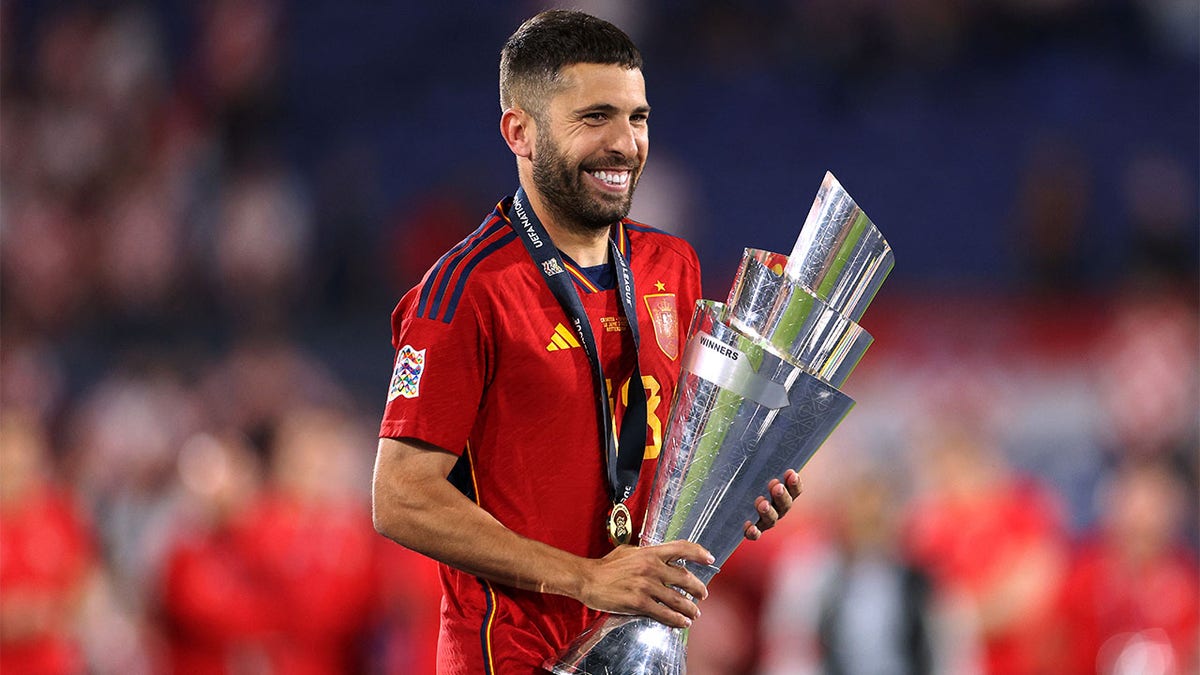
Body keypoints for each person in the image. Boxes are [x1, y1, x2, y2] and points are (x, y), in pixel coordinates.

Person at [371, 10, 802, 674]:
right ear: (521, 132)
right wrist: (584, 577)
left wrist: (737, 491)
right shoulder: (463, 292)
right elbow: (400, 496)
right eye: (594, 117)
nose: (625, 144)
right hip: (510, 656)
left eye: (638, 117)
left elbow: (671, 447)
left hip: (641, 649)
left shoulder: (672, 264)